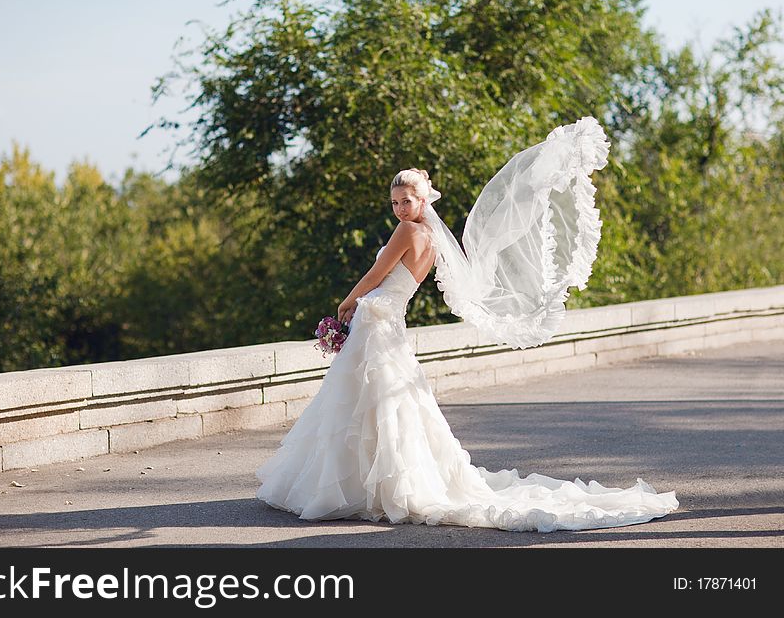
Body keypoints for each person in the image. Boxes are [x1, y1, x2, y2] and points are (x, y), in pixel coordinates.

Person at [256, 117, 678, 531]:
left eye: (407, 200)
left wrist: (347, 301)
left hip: (377, 315)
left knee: (370, 400)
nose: (401, 208)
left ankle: (362, 486)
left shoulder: (406, 231)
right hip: (389, 319)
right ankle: (376, 485)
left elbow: (375, 273)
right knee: (382, 402)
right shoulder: (435, 238)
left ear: (423, 201)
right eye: (396, 202)